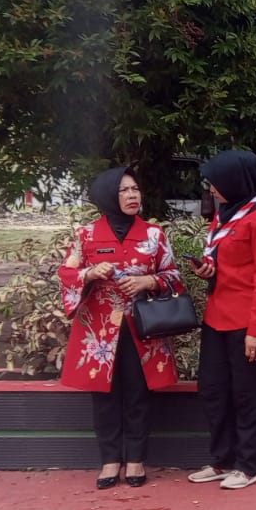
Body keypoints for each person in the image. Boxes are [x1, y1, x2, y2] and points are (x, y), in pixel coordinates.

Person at [58, 168, 185, 489]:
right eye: (124, 190)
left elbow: (174, 277)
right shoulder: (86, 235)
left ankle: (136, 460)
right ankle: (109, 461)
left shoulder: (155, 234)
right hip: (99, 333)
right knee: (104, 396)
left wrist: (149, 280)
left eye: (136, 189)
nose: (133, 196)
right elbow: (66, 274)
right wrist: (89, 273)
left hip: (142, 328)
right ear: (107, 196)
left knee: (138, 394)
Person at [186, 149, 256, 490]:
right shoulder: (226, 213)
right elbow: (226, 261)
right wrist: (208, 268)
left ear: (235, 180)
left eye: (215, 183)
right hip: (219, 316)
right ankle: (221, 460)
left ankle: (247, 465)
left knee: (248, 393)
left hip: (251, 320)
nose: (211, 189)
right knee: (214, 390)